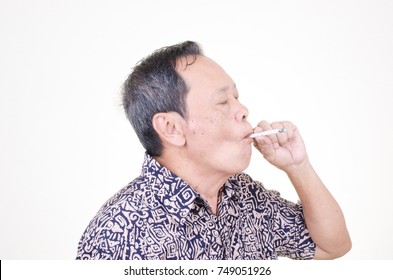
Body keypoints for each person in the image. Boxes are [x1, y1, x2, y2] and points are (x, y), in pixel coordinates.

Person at [76, 41, 351, 260]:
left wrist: (298, 166)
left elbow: (331, 246)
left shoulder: (245, 196)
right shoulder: (119, 235)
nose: (243, 111)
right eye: (222, 101)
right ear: (171, 127)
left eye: (237, 98)